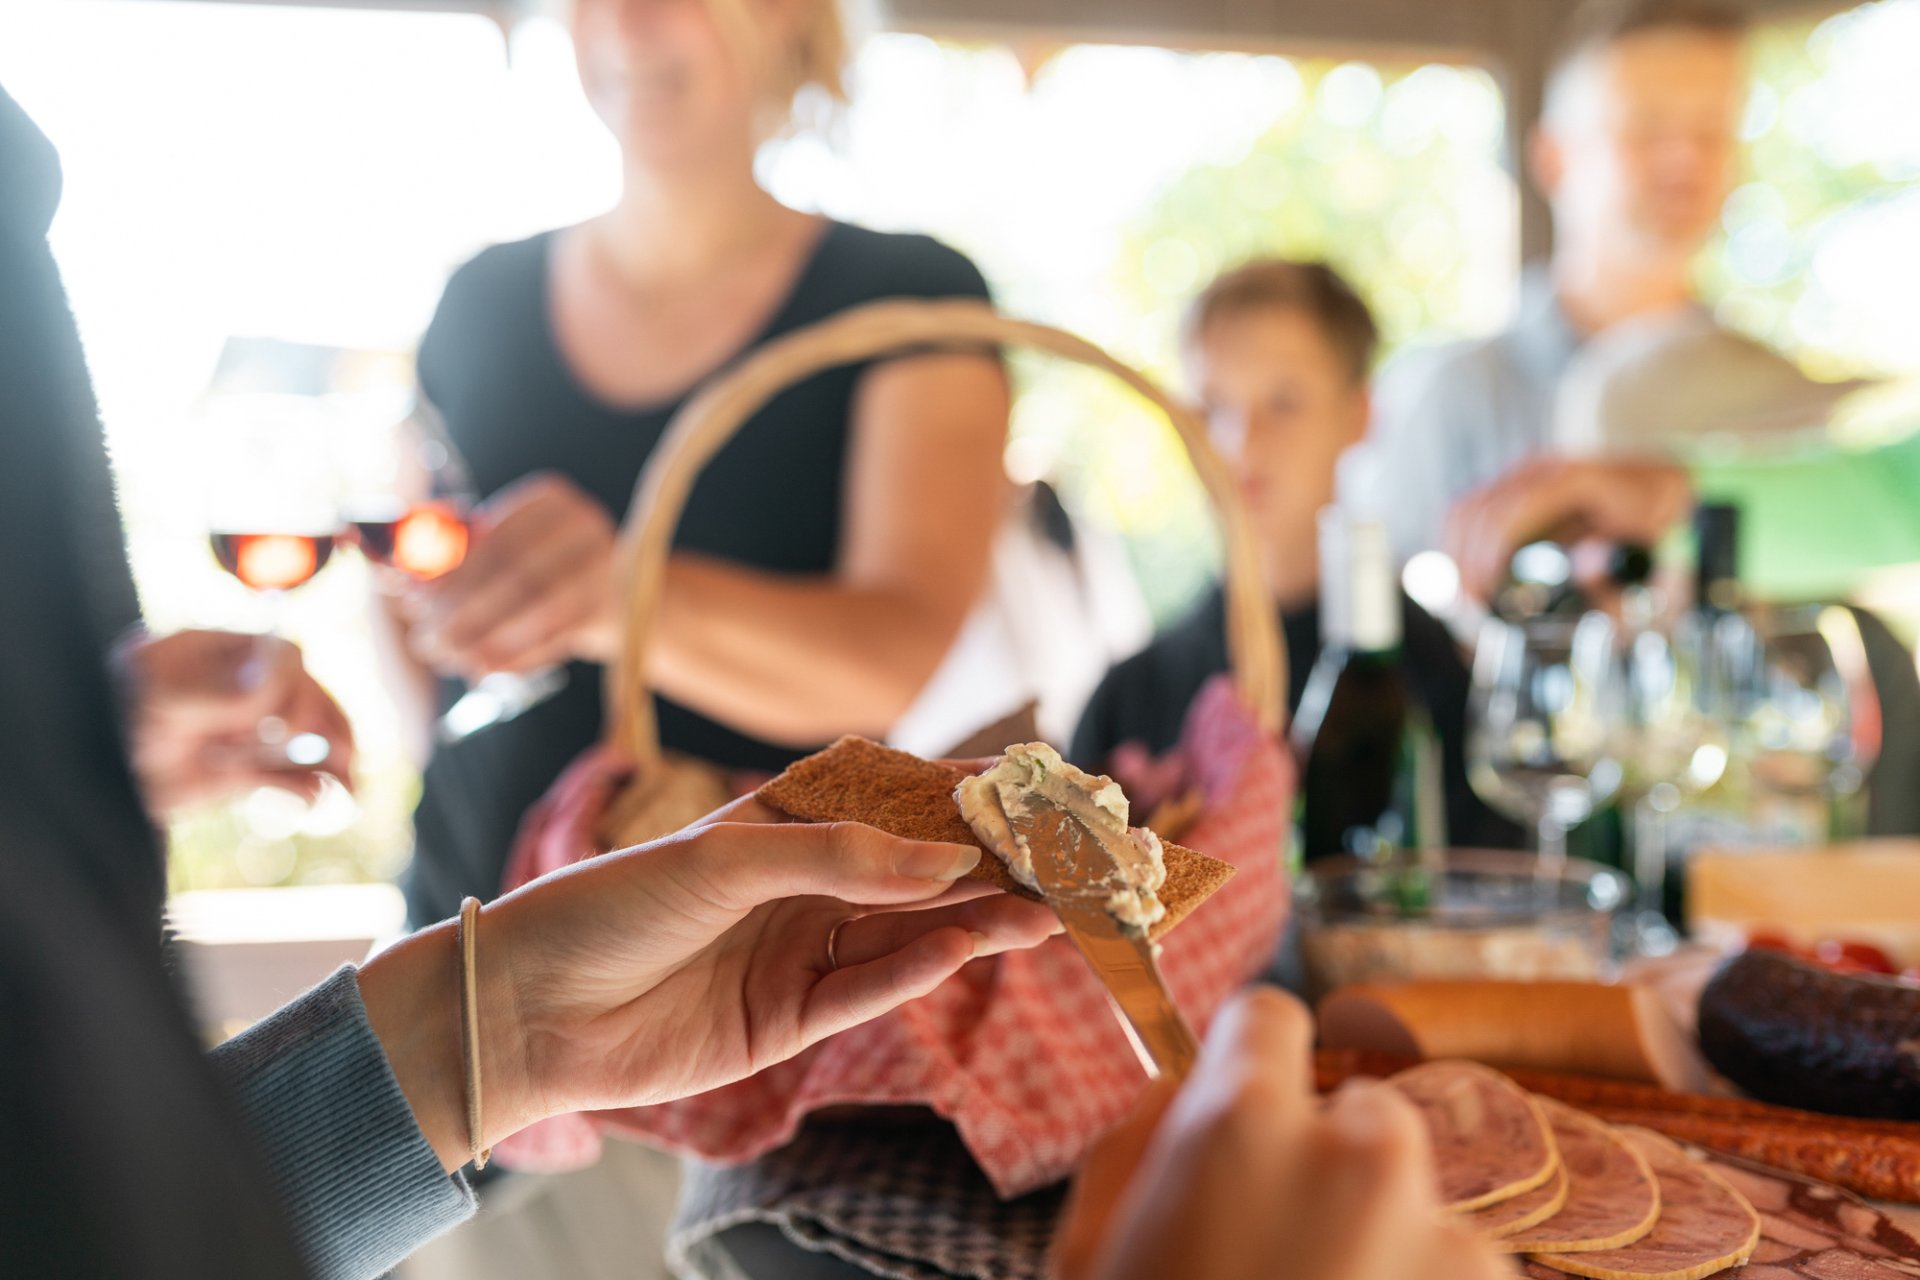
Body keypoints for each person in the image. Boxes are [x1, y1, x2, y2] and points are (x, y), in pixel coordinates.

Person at [395, 0, 1009, 933]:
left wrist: (616, 598)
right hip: (463, 914)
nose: (626, 24)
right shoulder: (476, 300)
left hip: (751, 944)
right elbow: (405, 588)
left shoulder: (913, 299)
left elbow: (889, 661)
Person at [1070, 259, 1520, 850]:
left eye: (1283, 402)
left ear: (1359, 415)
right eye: (1212, 408)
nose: (1240, 443)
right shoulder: (1129, 699)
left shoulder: (1432, 682)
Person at [1355, 0, 1823, 560]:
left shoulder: (1784, 401)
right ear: (1553, 158)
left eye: (1710, 129)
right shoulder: (1446, 397)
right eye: (1646, 127)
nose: (1684, 158)